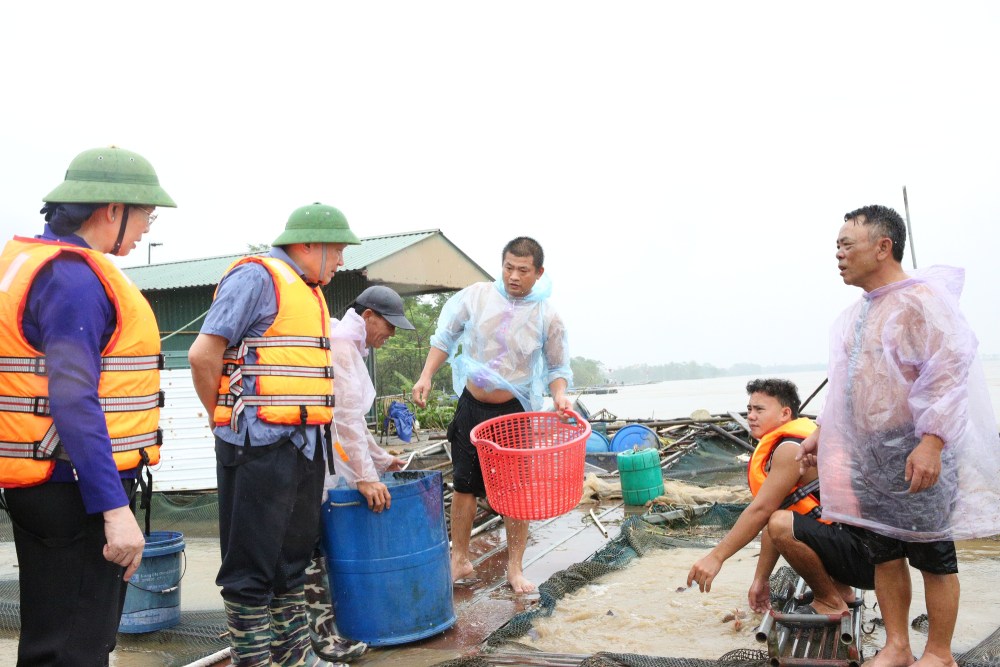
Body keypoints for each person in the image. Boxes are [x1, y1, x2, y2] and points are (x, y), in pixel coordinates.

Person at [799, 204, 1000, 667]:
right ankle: (897, 646)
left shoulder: (920, 301)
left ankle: (939, 652)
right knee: (884, 552)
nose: (838, 255)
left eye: (847, 244)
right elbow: (848, 386)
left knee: (932, 553)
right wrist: (823, 434)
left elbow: (948, 371)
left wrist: (931, 441)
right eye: (837, 247)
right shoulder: (855, 315)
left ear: (883, 246)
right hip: (870, 453)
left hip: (915, 445)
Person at [0, 146, 175, 665]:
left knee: (52, 639)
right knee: (75, 648)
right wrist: (114, 510)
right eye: (146, 212)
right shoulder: (72, 278)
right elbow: (74, 398)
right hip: (73, 489)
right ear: (112, 209)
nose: (148, 225)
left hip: (41, 482)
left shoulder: (24, 262)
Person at [188, 202, 359, 667]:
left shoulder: (309, 290)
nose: (341, 260)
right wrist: (219, 416)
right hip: (256, 446)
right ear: (307, 245)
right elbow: (204, 357)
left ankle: (293, 659)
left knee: (291, 563)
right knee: (250, 569)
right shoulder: (257, 278)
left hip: (303, 445)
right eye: (337, 250)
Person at [412, 236, 572, 593]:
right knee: (465, 485)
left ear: (538, 272)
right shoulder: (477, 296)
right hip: (472, 404)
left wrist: (560, 396)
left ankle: (514, 569)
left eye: (523, 270)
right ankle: (460, 560)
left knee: (514, 493)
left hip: (513, 414)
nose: (514, 276)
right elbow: (445, 338)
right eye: (508, 267)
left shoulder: (548, 315)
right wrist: (425, 376)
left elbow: (557, 367)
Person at [686, 379, 874, 615]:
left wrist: (716, 557)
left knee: (781, 522)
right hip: (862, 555)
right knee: (783, 518)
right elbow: (774, 514)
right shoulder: (793, 441)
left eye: (759, 409)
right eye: (749, 410)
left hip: (867, 559)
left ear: (785, 413)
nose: (751, 416)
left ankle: (830, 602)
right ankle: (841, 591)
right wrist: (761, 580)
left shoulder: (790, 449)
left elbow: (763, 512)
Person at [305, 285, 414, 662]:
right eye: (388, 324)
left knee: (314, 545)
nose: (391, 334)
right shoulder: (340, 346)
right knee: (308, 548)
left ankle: (320, 634)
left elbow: (354, 422)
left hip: (325, 461)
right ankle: (319, 638)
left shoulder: (348, 344)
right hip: (311, 464)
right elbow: (346, 421)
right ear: (368, 316)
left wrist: (381, 460)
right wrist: (367, 478)